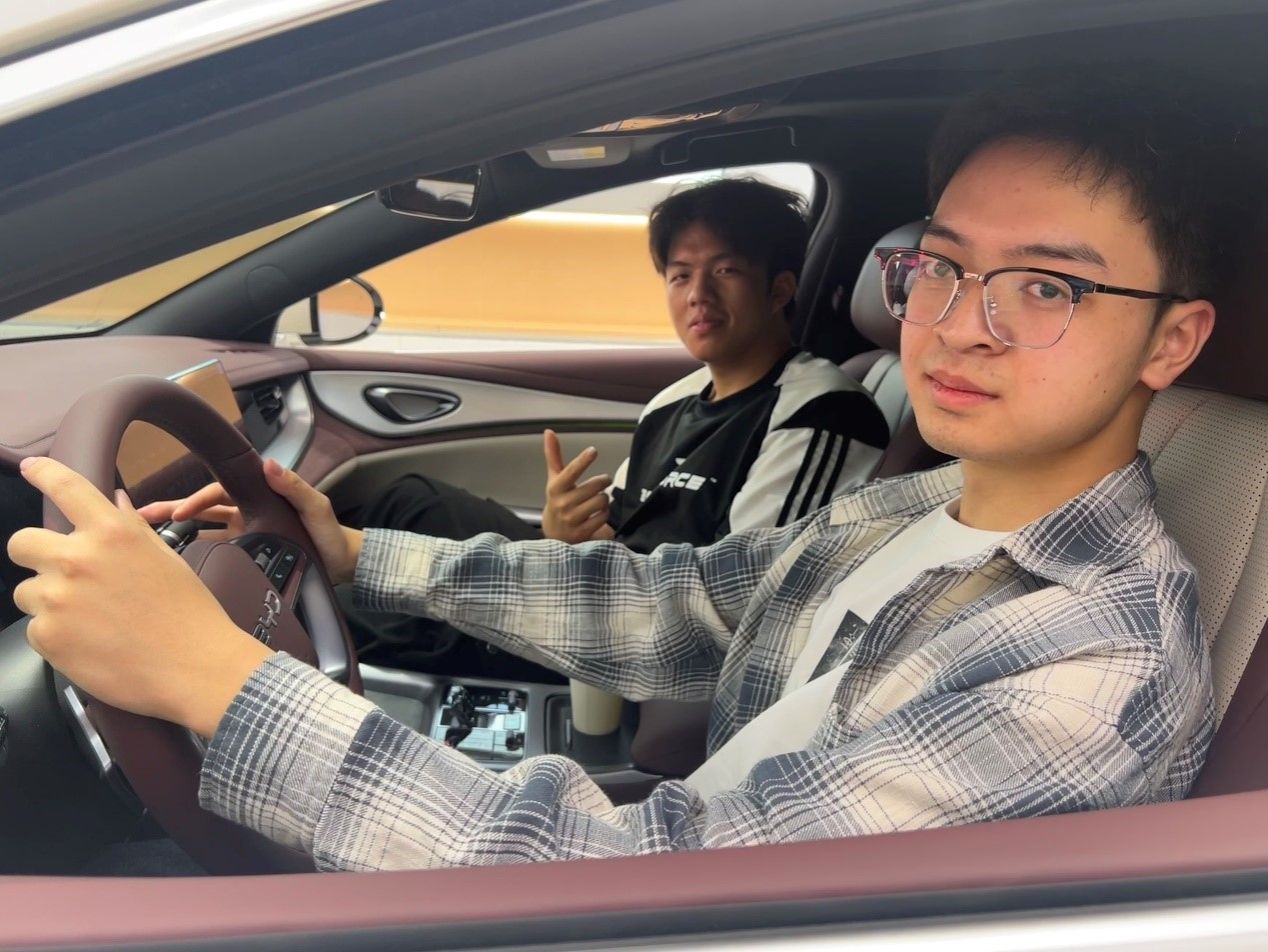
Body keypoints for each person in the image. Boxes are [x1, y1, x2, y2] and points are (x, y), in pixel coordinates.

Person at [9, 71, 1238, 870]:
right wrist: (356, 555)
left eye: (1047, 287)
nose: (960, 324)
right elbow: (679, 600)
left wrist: (216, 680)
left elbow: (668, 882)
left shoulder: (1091, 664)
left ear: (1169, 341)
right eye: (942, 266)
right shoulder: (922, 502)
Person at [340, 177, 889, 671]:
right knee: (409, 499)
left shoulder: (820, 413)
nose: (698, 294)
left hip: (635, 639)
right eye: (680, 275)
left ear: (779, 289)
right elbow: (613, 532)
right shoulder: (673, 401)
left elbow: (739, 605)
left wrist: (542, 585)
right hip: (599, 588)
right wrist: (560, 530)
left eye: (725, 271)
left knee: (350, 617)